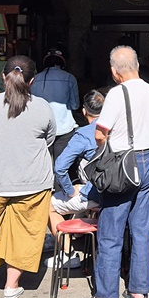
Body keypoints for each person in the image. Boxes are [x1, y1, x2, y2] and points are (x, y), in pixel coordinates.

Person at [76, 46, 149, 298]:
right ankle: (138, 290)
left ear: (115, 71)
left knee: (111, 232)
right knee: (140, 229)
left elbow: (101, 132)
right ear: (136, 64)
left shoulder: (116, 94)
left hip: (123, 164)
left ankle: (105, 297)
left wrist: (102, 152)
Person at [0, 56, 55, 298]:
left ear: (3, 77)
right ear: (32, 80)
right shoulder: (43, 107)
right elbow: (49, 140)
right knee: (25, 233)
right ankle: (11, 286)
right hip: (32, 182)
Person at [45, 89, 105, 271]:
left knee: (47, 206)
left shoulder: (83, 134)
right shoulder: (119, 128)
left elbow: (60, 167)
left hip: (94, 194)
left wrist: (70, 190)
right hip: (117, 191)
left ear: (84, 111)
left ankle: (68, 254)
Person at [30, 48, 80, 190]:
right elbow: (75, 105)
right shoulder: (70, 78)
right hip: (64, 128)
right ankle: (59, 195)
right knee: (61, 165)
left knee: (41, 164)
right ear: (62, 63)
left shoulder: (35, 79)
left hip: (41, 128)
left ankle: (42, 192)